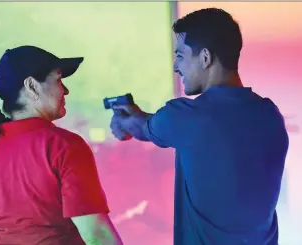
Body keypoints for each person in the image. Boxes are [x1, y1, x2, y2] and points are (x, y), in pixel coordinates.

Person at [110, 8, 288, 245]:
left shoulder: (186, 116)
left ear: (205, 58)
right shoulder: (270, 115)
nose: (175, 66)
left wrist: (124, 120)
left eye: (181, 56)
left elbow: (141, 126)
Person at [0, 46, 123, 245]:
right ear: (32, 86)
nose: (65, 90)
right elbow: (96, 236)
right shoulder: (63, 146)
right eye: (58, 80)